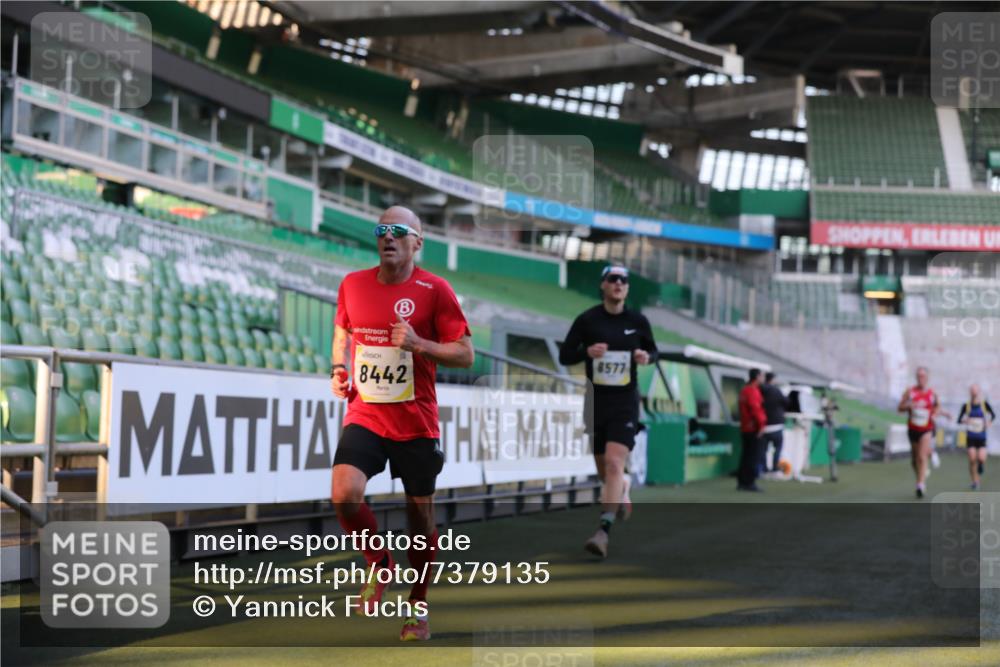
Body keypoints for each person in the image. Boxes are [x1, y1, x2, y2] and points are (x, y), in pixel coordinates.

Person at [330, 206, 474, 641]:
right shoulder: (353, 284)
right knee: (344, 493)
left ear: (417, 242)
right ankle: (379, 562)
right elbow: (342, 331)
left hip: (416, 423)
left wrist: (419, 344)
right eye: (381, 230)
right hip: (367, 413)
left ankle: (418, 603)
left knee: (420, 519)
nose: (388, 237)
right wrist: (339, 367)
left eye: (398, 231)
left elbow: (466, 354)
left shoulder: (436, 290)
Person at [559, 265, 657, 558]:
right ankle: (622, 487)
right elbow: (566, 355)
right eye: (612, 279)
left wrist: (646, 356)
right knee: (604, 469)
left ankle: (603, 531)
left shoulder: (638, 321)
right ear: (603, 285)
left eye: (623, 280)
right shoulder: (588, 320)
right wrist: (585, 353)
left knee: (615, 463)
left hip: (625, 401)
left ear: (627, 288)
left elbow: (654, 351)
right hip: (596, 401)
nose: (618, 283)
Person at [898, 366, 943, 499]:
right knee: (914, 460)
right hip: (913, 429)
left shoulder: (932, 393)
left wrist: (935, 413)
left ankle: (920, 484)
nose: (921, 378)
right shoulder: (910, 392)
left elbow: (938, 406)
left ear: (927, 378)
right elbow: (900, 407)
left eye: (923, 376)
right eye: (918, 376)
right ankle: (921, 476)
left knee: (922, 457)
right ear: (916, 378)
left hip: (926, 429)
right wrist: (908, 406)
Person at [957, 384, 995, 490]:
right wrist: (965, 420)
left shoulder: (984, 405)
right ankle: (975, 481)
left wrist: (989, 422)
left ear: (979, 392)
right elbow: (959, 420)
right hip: (971, 437)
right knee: (972, 459)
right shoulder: (966, 406)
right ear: (970, 392)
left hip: (981, 436)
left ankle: (981, 465)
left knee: (981, 458)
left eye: (976, 391)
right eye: (972, 391)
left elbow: (993, 415)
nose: (974, 393)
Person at [737, 368, 767, 492]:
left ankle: (742, 482)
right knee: (753, 456)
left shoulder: (744, 390)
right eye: (762, 376)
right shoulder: (752, 391)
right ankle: (749, 482)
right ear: (757, 376)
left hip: (745, 427)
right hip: (753, 428)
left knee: (746, 455)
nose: (763, 378)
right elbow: (756, 410)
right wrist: (761, 426)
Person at [759, 372, 789, 473]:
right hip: (776, 425)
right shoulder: (776, 390)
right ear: (772, 379)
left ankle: (764, 468)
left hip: (762, 425)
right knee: (777, 448)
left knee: (763, 449)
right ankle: (775, 467)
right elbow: (786, 402)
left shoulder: (759, 390)